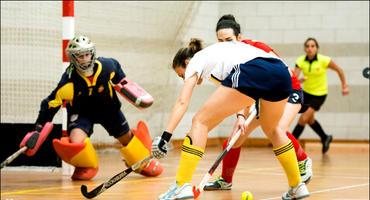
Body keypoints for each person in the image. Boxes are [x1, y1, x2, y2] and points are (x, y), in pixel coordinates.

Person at [151, 38, 310, 199]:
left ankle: (181, 185)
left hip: (255, 69)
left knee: (199, 121)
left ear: (186, 62)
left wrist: (165, 137)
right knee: (273, 129)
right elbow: (237, 100)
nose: (183, 78)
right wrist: (196, 133)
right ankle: (297, 185)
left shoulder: (197, 59)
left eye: (181, 74)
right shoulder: (219, 59)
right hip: (281, 73)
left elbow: (182, 102)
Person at [25, 35, 163, 180]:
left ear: (92, 53)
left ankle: (141, 161)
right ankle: (86, 165)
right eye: (80, 56)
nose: (85, 59)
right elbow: (49, 105)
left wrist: (137, 98)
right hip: (82, 113)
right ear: (73, 58)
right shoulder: (68, 82)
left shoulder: (109, 66)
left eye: (87, 54)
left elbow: (123, 83)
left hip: (109, 110)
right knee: (76, 141)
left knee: (127, 139)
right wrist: (38, 130)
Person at [204, 14, 312, 191]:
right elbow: (242, 92)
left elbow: (279, 73)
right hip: (263, 97)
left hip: (288, 90)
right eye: (220, 41)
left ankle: (303, 160)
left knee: (277, 130)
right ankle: (225, 180)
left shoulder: (257, 48)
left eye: (229, 40)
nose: (225, 45)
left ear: (239, 37)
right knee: (234, 140)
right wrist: (241, 116)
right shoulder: (228, 60)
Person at [292, 37, 349, 154]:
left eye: (312, 46)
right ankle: (325, 137)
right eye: (307, 46)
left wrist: (344, 86)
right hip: (306, 93)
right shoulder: (301, 60)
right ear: (304, 48)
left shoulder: (324, 60)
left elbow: (340, 70)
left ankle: (290, 144)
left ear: (317, 48)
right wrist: (299, 81)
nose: (310, 48)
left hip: (319, 95)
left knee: (303, 118)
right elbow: (294, 78)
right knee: (309, 120)